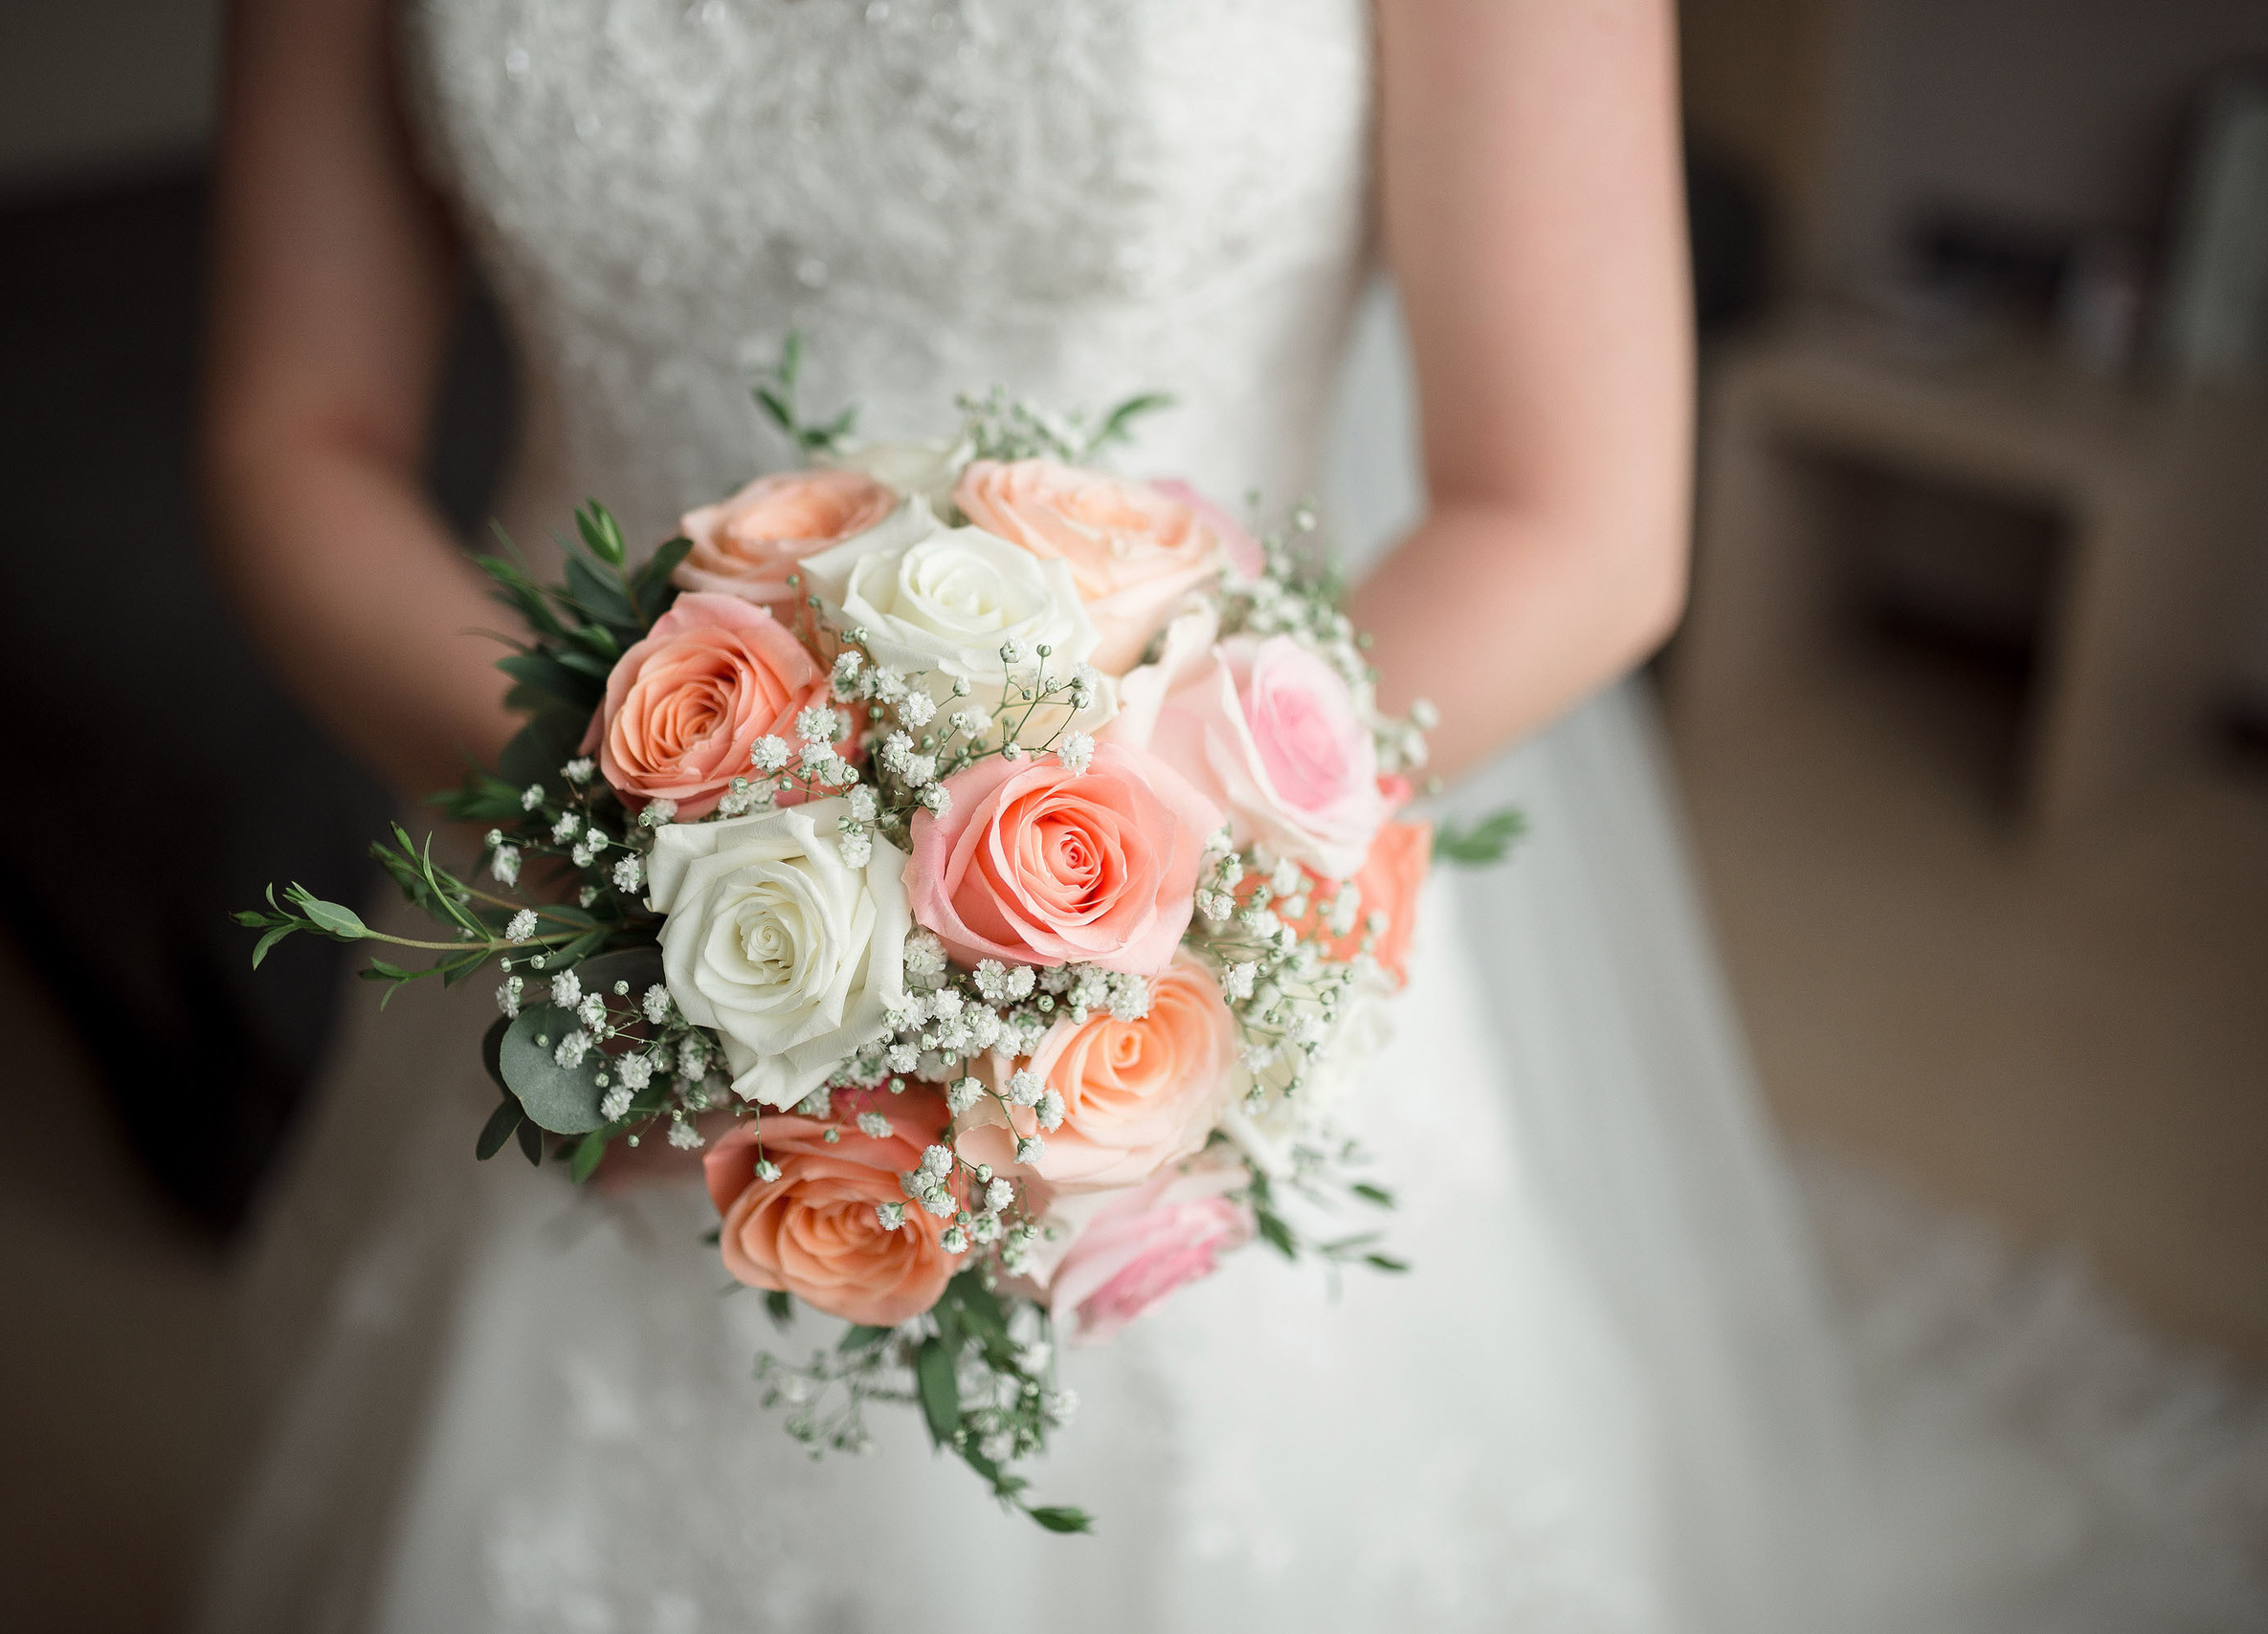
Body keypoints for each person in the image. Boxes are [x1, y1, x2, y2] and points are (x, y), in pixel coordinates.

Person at [198, 2, 1876, 1628]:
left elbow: (1575, 516)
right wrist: (643, 861)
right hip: (572, 838)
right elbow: (297, 437)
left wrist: (1082, 934)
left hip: (1182, 909)